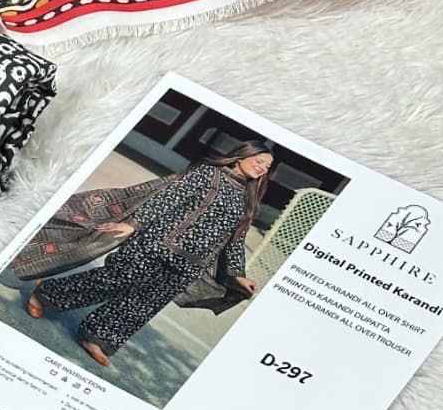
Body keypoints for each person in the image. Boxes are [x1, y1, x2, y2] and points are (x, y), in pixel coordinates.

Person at [20, 140, 275, 367]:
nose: (262, 168)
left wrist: (238, 274)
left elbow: (235, 238)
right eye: (259, 161)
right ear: (242, 156)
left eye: (267, 166)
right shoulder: (209, 173)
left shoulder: (247, 199)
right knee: (115, 279)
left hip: (191, 263)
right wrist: (134, 224)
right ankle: (47, 295)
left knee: (144, 304)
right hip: (157, 243)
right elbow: (168, 197)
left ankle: (97, 337)